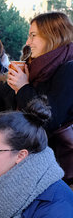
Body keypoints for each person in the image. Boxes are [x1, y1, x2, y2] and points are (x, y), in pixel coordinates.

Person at [7, 11, 73, 185]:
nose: (28, 42)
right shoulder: (39, 67)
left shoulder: (69, 68)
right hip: (36, 159)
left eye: (33, 36)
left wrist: (23, 88)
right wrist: (17, 87)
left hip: (57, 164)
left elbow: (50, 118)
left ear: (52, 35)